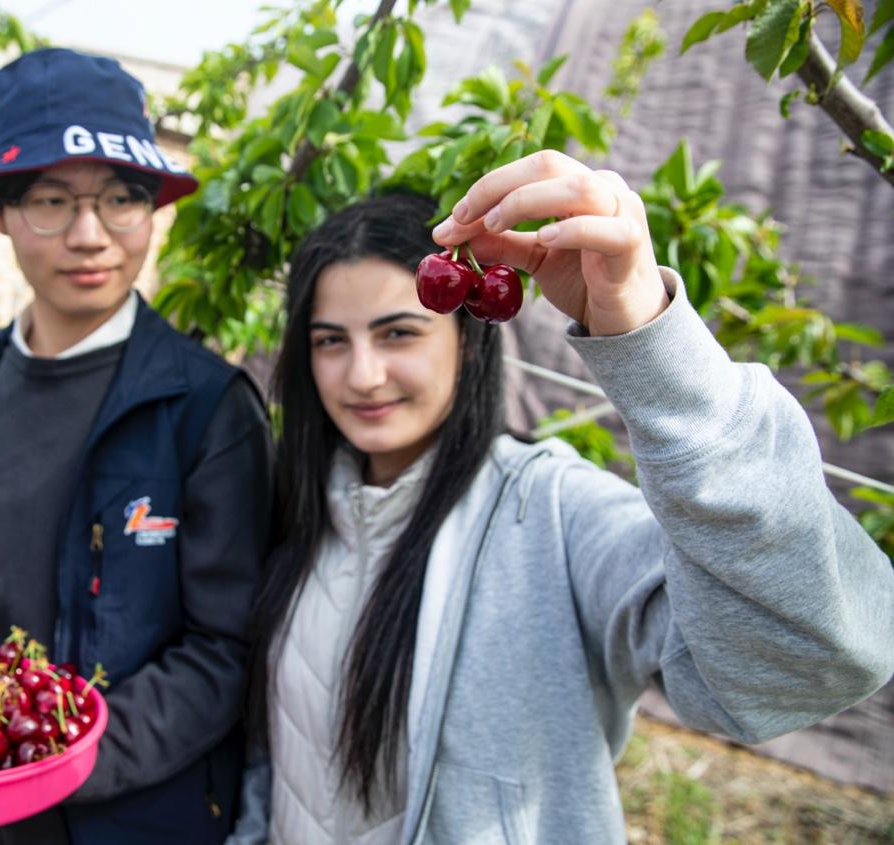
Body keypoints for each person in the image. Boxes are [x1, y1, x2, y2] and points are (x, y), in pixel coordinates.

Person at [229, 154, 894, 845]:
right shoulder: (294, 507)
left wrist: (652, 349)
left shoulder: (551, 513)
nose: (363, 375)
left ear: (467, 339)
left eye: (399, 332)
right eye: (330, 341)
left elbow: (814, 659)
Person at [0, 48, 272, 845]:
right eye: (50, 201)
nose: (90, 236)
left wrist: (50, 758)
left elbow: (224, 648)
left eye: (121, 198)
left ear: (152, 209)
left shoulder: (205, 407)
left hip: (146, 816)